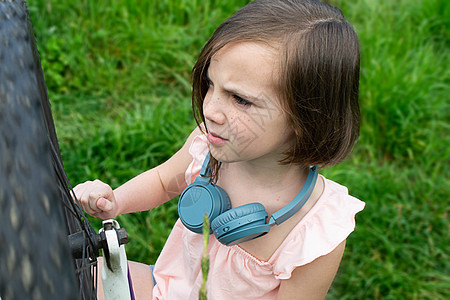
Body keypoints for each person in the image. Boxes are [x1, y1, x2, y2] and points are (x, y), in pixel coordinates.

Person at [73, 0, 365, 299]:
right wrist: (114, 202)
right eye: (210, 84)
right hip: (166, 287)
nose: (210, 109)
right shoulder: (207, 150)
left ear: (307, 117)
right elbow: (163, 181)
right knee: (75, 276)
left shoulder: (315, 230)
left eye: (240, 99)